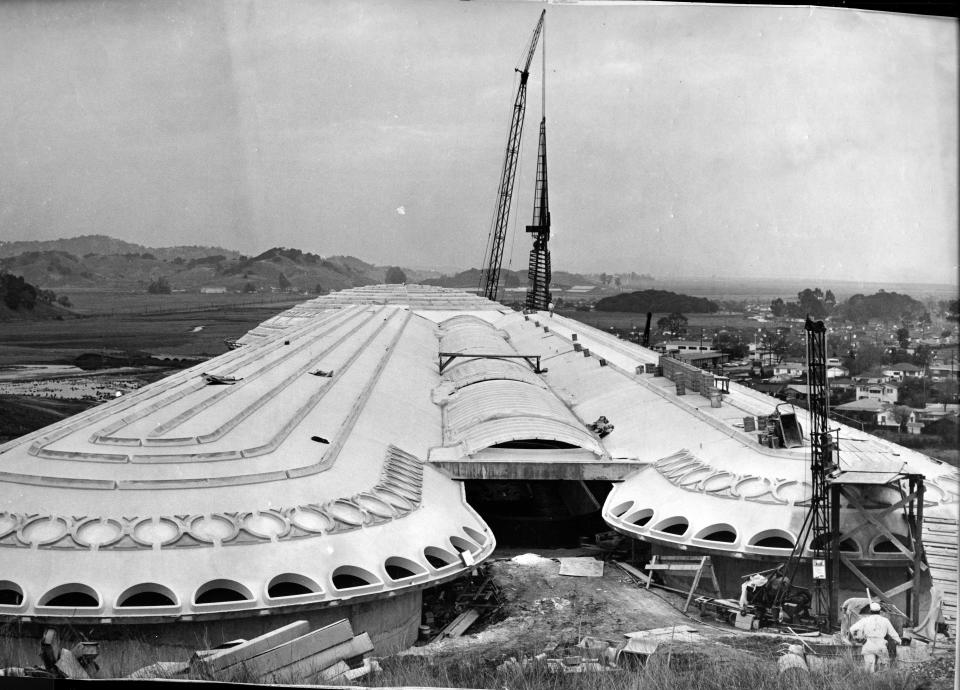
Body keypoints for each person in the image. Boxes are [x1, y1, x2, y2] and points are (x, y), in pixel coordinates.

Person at [849, 602, 901, 672]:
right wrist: (899, 641)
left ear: (870, 611)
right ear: (880, 611)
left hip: (868, 644)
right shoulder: (885, 620)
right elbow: (893, 633)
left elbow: (852, 629)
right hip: (881, 645)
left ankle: (870, 680)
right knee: (883, 669)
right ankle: (881, 681)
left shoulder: (865, 620)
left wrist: (859, 639)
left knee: (869, 669)